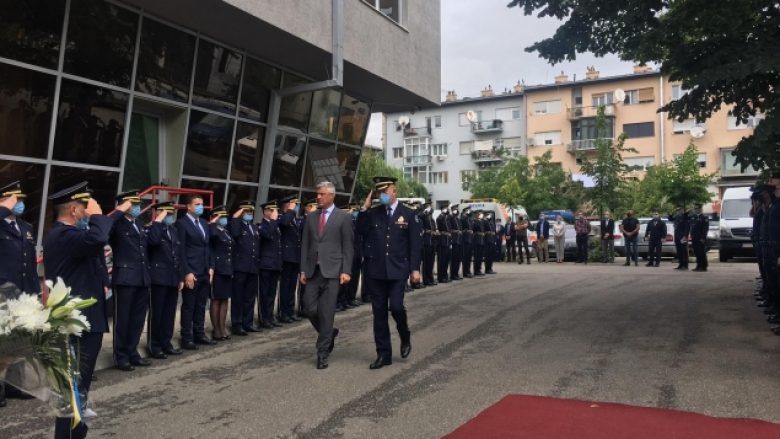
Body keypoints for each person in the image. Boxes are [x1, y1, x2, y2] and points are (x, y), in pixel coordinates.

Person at [44, 181, 131, 439]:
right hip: (75, 321)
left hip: (84, 319)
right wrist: (98, 215)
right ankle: (69, 435)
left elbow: (94, 243)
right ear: (74, 209)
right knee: (73, 386)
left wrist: (110, 214)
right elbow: (97, 237)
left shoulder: (70, 236)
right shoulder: (64, 236)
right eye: (85, 207)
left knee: (77, 385)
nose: (88, 212)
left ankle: (76, 431)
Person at [357, 176, 421, 370]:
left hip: (398, 269)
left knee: (396, 307)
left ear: (394, 191)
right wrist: (364, 208)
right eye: (379, 193)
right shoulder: (373, 213)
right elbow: (359, 231)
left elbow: (414, 245)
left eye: (385, 192)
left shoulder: (408, 214)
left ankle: (404, 333)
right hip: (375, 270)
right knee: (379, 313)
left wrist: (415, 269)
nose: (382, 196)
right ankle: (383, 354)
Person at [300, 181, 353, 369]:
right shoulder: (311, 217)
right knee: (308, 308)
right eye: (318, 194)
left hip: (333, 272)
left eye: (322, 194)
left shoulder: (343, 217)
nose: (318, 197)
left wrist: (346, 270)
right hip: (313, 271)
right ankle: (329, 333)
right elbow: (305, 245)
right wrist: (303, 269)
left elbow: (348, 246)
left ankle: (322, 353)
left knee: (327, 312)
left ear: (332, 195)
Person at [0, 181, 40, 408]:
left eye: (21, 200)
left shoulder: (26, 227)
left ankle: (16, 385)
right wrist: (4, 208)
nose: (20, 204)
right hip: (3, 292)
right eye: (15, 200)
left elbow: (31, 263)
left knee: (20, 340)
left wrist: (34, 293)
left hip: (24, 291)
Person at [108, 190, 152, 371]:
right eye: (132, 204)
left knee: (137, 319)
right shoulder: (117, 224)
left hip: (142, 277)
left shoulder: (138, 224)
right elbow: (106, 227)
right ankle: (121, 356)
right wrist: (119, 210)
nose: (137, 207)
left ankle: (132, 351)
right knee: (123, 319)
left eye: (138, 204)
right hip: (125, 278)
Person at [177, 194, 215, 349]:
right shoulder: (181, 223)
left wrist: (211, 266)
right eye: (197, 204)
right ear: (189, 206)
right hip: (192, 272)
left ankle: (199, 333)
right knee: (189, 306)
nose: (201, 206)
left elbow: (208, 246)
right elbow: (181, 250)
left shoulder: (204, 223)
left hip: (205, 271)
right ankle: (187, 337)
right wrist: (186, 272)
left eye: (202, 204)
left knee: (201, 305)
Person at [146, 202, 184, 359]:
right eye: (167, 213)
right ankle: (154, 346)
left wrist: (180, 276)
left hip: (173, 277)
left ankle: (166, 343)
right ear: (159, 213)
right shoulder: (153, 228)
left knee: (169, 313)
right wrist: (158, 220)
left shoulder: (173, 230)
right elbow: (153, 242)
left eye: (171, 213)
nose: (170, 216)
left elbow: (178, 254)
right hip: (158, 278)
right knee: (157, 313)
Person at [229, 200, 261, 335]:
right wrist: (237, 216)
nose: (249, 214)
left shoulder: (253, 227)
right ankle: (237, 324)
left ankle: (247, 322)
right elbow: (235, 234)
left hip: (252, 267)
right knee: (238, 297)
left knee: (249, 297)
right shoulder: (237, 225)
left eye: (250, 211)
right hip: (240, 267)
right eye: (246, 211)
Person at [208, 205, 233, 340]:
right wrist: (213, 222)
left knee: (224, 300)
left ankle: (222, 328)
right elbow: (211, 236)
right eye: (221, 216)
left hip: (227, 269)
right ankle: (216, 330)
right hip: (217, 269)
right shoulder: (213, 229)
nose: (224, 219)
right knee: (216, 300)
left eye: (225, 216)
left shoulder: (225, 231)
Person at [257, 200, 283, 328]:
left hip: (275, 264)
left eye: (275, 210)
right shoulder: (261, 225)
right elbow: (266, 235)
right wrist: (273, 221)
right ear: (265, 211)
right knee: (264, 293)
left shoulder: (275, 225)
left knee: (272, 293)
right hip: (266, 264)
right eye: (272, 210)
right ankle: (264, 318)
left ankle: (270, 316)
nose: (274, 213)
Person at [278, 195, 304, 322]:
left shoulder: (294, 219)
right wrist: (290, 210)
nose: (296, 207)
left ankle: (290, 311)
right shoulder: (282, 217)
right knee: (285, 286)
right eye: (294, 204)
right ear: (287, 205)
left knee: (292, 286)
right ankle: (283, 312)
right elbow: (284, 223)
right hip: (286, 258)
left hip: (295, 257)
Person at [420, 201, 437, 285]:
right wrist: (424, 211)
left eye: (430, 206)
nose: (429, 207)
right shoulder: (423, 216)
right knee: (426, 262)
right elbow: (419, 217)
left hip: (432, 241)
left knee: (431, 261)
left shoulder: (431, 217)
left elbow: (434, 228)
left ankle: (430, 278)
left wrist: (434, 232)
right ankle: (426, 280)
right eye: (427, 206)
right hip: (426, 241)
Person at [690, 203, 709, 272]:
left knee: (702, 253)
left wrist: (703, 238)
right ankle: (698, 266)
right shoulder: (693, 217)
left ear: (701, 209)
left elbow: (705, 229)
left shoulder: (704, 217)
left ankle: (703, 266)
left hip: (701, 238)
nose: (696, 210)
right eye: (695, 208)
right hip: (694, 238)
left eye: (697, 208)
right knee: (696, 252)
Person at [671, 206, 690, 270]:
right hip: (677, 236)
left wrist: (685, 236)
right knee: (679, 251)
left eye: (679, 210)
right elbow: (670, 219)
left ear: (682, 210)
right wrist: (671, 214)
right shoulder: (677, 217)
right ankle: (680, 264)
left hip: (682, 236)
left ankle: (685, 265)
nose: (678, 212)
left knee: (684, 251)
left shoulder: (685, 217)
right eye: (677, 211)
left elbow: (687, 227)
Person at [436, 206, 451, 283]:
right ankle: (441, 277)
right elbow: (440, 229)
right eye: (446, 209)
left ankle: (445, 275)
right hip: (442, 241)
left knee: (446, 260)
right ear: (442, 210)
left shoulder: (446, 217)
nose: (447, 210)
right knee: (442, 260)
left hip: (447, 241)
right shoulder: (440, 218)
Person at [448, 204, 463, 280]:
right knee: (453, 259)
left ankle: (456, 273)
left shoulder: (458, 219)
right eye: (454, 209)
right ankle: (453, 274)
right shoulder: (450, 218)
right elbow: (449, 229)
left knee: (458, 258)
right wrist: (456, 231)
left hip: (459, 241)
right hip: (453, 241)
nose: (456, 210)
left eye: (456, 209)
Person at [460, 206, 473, 277]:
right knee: (465, 257)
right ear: (465, 211)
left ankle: (468, 270)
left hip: (470, 239)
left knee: (469, 257)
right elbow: (461, 229)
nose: (470, 211)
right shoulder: (463, 218)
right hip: (464, 240)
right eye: (468, 210)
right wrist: (466, 231)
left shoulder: (469, 219)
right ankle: (465, 272)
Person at [472, 210, 485, 276]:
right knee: (476, 256)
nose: (481, 215)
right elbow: (474, 229)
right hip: (476, 240)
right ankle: (476, 270)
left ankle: (479, 269)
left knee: (480, 256)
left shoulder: (481, 221)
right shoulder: (474, 221)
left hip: (481, 240)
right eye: (479, 214)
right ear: (476, 215)